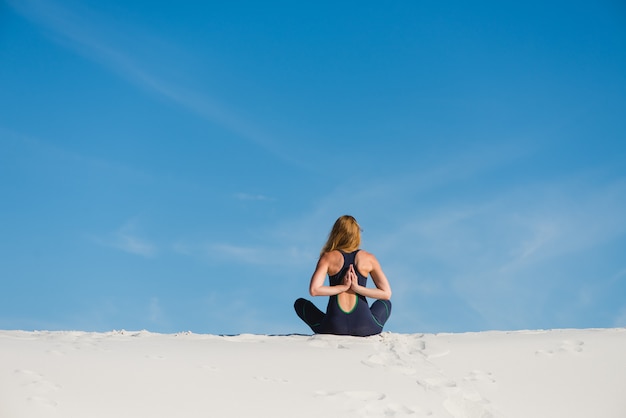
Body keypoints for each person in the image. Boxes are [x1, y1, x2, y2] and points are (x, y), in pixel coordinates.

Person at [294, 215, 392, 336]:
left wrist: (341, 288)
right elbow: (386, 294)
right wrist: (357, 288)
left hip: (333, 327)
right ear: (357, 235)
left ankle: (331, 319)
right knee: (385, 303)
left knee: (300, 303)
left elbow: (314, 290)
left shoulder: (327, 257)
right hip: (365, 327)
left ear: (335, 233)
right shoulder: (369, 258)